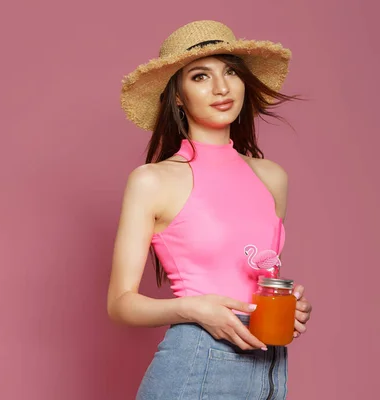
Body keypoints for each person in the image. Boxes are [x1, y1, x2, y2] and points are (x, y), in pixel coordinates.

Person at [107, 20, 313, 399]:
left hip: (268, 369)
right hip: (195, 362)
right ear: (179, 96)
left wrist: (288, 306)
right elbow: (120, 304)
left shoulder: (272, 177)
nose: (221, 88)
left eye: (230, 72)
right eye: (200, 76)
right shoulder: (153, 181)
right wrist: (196, 309)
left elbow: (256, 273)